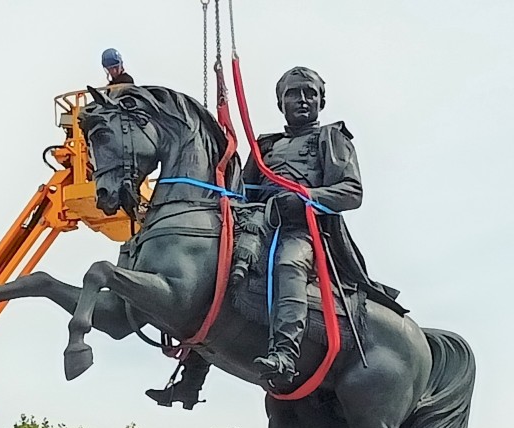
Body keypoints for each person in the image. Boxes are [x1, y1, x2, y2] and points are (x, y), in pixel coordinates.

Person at [147, 67, 404, 403]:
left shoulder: (331, 138)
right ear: (281, 102)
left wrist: (304, 198)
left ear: (321, 101)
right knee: (211, 271)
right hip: (257, 224)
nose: (303, 100)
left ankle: (285, 354)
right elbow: (243, 191)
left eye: (310, 94)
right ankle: (191, 379)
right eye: (294, 94)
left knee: (288, 265)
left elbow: (351, 191)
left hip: (303, 230)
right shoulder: (265, 146)